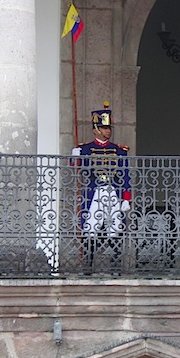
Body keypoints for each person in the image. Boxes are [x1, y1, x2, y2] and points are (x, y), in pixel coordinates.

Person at [72, 101, 131, 272]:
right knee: (91, 226)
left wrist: (126, 197)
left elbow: (125, 174)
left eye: (109, 128)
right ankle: (88, 266)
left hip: (113, 191)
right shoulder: (86, 148)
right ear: (96, 129)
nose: (108, 131)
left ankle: (116, 265)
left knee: (115, 226)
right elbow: (76, 168)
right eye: (105, 128)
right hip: (94, 191)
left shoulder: (118, 150)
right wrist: (75, 157)